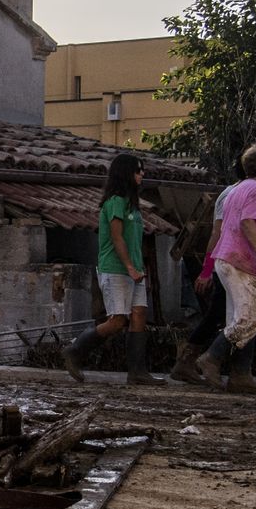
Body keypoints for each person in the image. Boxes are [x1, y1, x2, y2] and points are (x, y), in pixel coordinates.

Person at [169, 180, 256, 390]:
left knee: (244, 316)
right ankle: (249, 369)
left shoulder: (235, 192)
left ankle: (244, 371)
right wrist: (206, 271)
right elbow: (218, 232)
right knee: (242, 316)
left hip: (238, 264)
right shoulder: (239, 194)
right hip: (236, 265)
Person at [63, 153, 164, 385]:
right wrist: (129, 266)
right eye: (138, 170)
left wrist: (136, 267)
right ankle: (76, 351)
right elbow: (117, 238)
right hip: (116, 269)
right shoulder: (115, 202)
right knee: (118, 320)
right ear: (126, 173)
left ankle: (137, 372)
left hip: (133, 270)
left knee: (139, 315)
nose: (142, 174)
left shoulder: (132, 204)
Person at [195, 145, 256, 390]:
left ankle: (241, 375)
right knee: (252, 318)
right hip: (242, 261)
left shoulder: (236, 190)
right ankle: (211, 357)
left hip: (226, 258)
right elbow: (248, 223)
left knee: (241, 318)